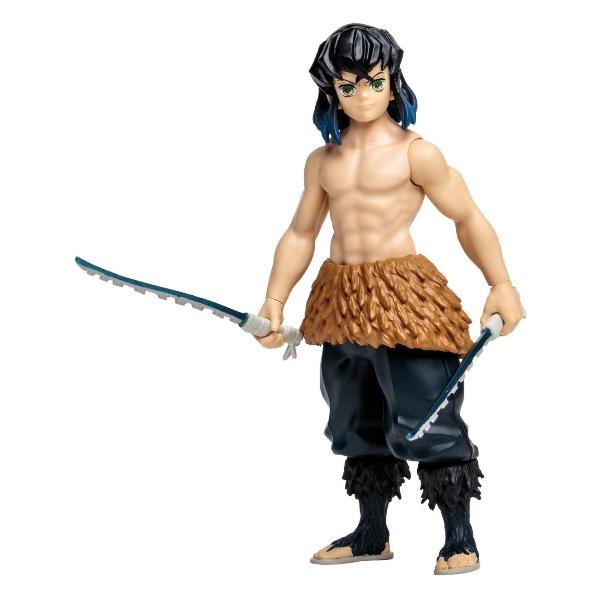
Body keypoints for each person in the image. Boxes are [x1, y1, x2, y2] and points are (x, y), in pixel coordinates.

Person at [255, 23, 524, 575]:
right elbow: (301, 233)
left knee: (427, 418)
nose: (362, 96)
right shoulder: (323, 161)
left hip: (403, 304)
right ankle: (371, 532)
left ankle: (459, 535)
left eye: (374, 82)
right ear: (331, 90)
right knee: (354, 421)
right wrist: (275, 301)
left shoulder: (416, 154)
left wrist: (501, 284)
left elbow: (467, 217)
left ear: (393, 82)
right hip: (339, 303)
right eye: (347, 85)